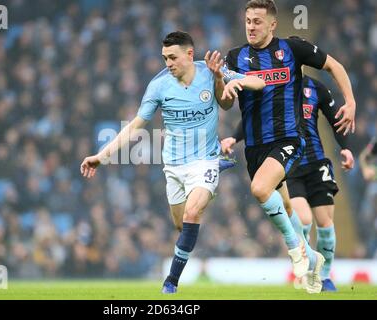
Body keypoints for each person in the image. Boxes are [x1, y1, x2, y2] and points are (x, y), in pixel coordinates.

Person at [80, 31, 265, 294]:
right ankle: (209, 181)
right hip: (174, 166)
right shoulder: (158, 86)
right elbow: (135, 126)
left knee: (192, 214)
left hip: (205, 159)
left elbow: (257, 84)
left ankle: (171, 282)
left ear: (190, 55)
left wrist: (221, 78)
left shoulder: (211, 69)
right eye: (165, 58)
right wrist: (102, 155)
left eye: (173, 57)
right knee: (182, 226)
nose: (168, 63)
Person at [216, 0, 356, 294]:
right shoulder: (233, 58)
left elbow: (334, 66)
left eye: (257, 21)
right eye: (248, 21)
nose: (251, 27)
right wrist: (221, 81)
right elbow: (226, 102)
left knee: (259, 189)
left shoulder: (293, 49)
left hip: (289, 140)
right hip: (255, 148)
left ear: (272, 24)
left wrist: (351, 102)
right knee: (288, 205)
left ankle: (298, 252)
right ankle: (312, 255)